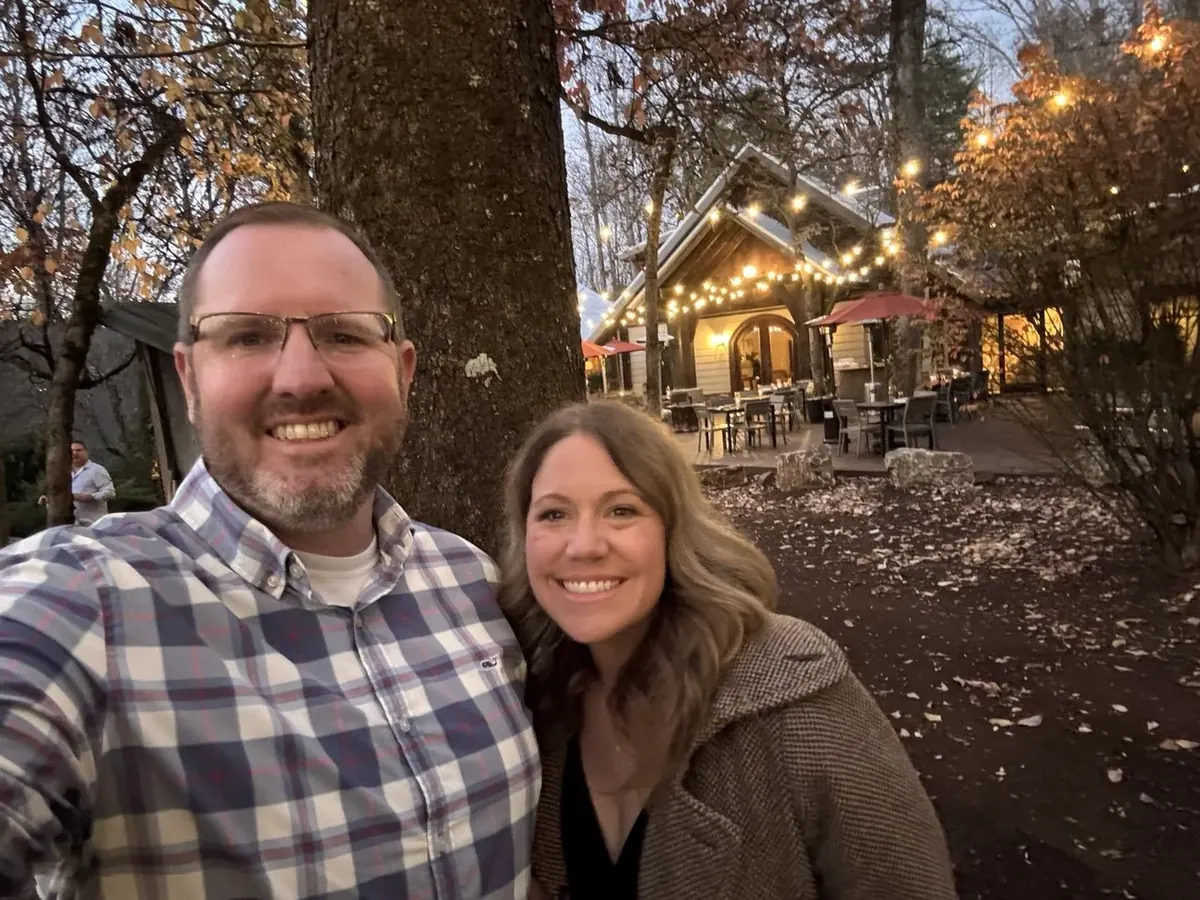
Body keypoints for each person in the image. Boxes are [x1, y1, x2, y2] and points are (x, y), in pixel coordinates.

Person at [0, 202, 540, 899]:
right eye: (248, 336)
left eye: (344, 334)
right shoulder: (81, 608)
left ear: (403, 371)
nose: (300, 377)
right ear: (190, 379)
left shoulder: (472, 580)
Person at [500, 400, 957, 900]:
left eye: (622, 509)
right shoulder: (527, 702)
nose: (584, 545)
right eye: (554, 514)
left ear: (672, 530)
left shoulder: (793, 698)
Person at [69, 439, 116, 525]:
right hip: (72, 526)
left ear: (86, 452)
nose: (75, 453)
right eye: (72, 451)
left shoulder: (97, 470)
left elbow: (110, 492)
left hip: (94, 525)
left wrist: (91, 497)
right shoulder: (64, 473)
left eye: (78, 450)